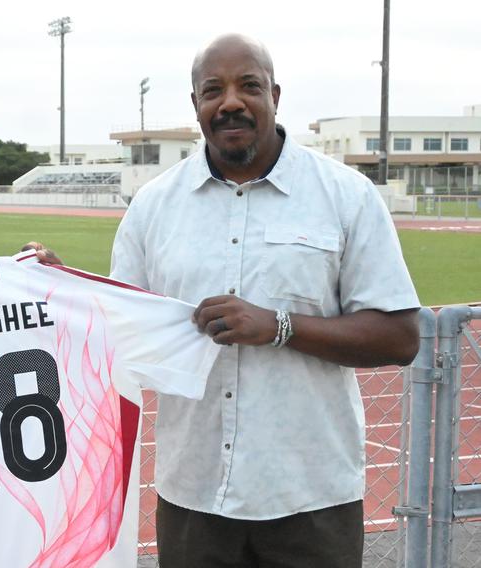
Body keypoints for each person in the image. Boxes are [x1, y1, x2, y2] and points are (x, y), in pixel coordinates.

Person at [108, 34, 421, 567]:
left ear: (275, 95)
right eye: (213, 90)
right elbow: (119, 329)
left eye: (248, 86)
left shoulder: (344, 195)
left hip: (310, 498)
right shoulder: (154, 207)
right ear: (196, 106)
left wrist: (278, 326)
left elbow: (399, 336)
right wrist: (51, 282)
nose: (230, 101)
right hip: (193, 495)